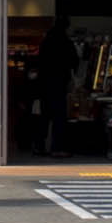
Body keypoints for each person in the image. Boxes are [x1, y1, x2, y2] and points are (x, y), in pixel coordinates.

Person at [35, 20, 78, 157]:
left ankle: (39, 146)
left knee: (44, 116)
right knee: (59, 117)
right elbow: (75, 61)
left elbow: (39, 62)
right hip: (59, 84)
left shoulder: (46, 42)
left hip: (44, 85)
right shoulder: (66, 42)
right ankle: (57, 148)